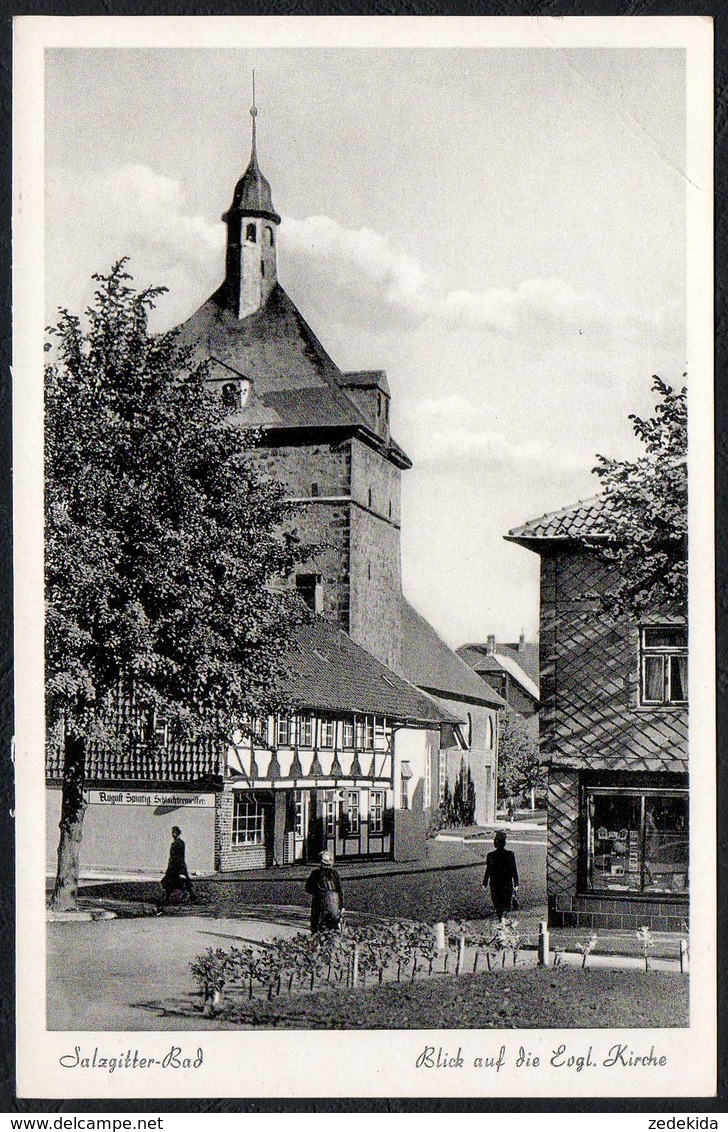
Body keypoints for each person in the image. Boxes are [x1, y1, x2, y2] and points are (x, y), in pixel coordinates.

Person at [156, 825, 195, 914]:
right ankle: (167, 897)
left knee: (181, 881)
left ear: (177, 833)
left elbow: (179, 856)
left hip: (177, 866)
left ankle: (191, 895)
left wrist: (180, 868)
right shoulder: (176, 842)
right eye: (172, 832)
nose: (173, 834)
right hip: (174, 866)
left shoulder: (179, 843)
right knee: (171, 882)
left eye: (174, 832)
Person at [482, 830, 519, 919]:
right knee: (506, 905)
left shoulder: (490, 855)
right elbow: (514, 869)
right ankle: (503, 922)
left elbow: (488, 870)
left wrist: (485, 883)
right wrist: (516, 883)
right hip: (507, 884)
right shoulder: (510, 854)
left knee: (497, 905)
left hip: (495, 884)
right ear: (504, 843)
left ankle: (500, 920)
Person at [305, 850, 344, 933]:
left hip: (318, 903)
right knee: (333, 928)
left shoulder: (315, 874)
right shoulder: (335, 874)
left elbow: (308, 888)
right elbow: (339, 890)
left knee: (317, 928)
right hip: (333, 904)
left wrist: (317, 892)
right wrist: (341, 906)